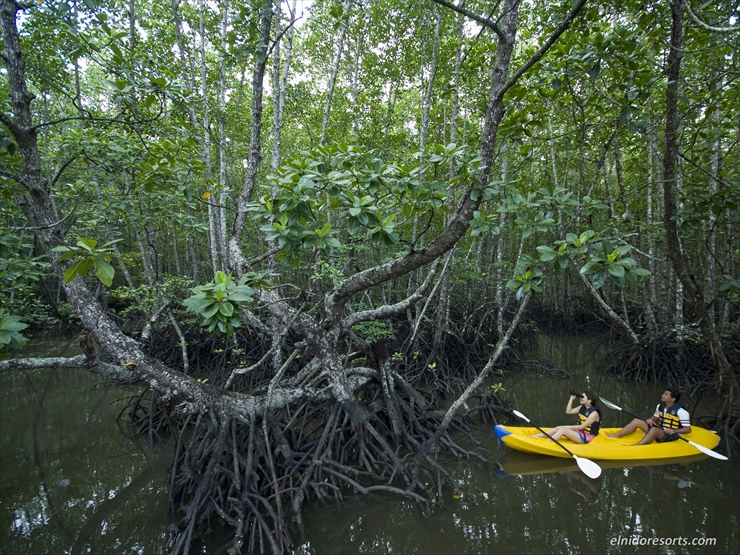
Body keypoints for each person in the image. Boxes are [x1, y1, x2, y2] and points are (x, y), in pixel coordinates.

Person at [606, 388, 691, 445]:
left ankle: (637, 445)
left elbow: (688, 429)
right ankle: (617, 435)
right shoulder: (660, 406)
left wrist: (674, 431)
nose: (663, 395)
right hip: (661, 429)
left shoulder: (681, 412)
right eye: (663, 393)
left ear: (673, 399)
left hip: (672, 435)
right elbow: (656, 418)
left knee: (654, 430)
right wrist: (651, 419)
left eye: (666, 394)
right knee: (636, 421)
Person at [532, 391, 602, 443]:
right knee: (558, 428)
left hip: (587, 437)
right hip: (579, 432)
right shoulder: (582, 407)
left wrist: (566, 427)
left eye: (583, 397)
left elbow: (582, 427)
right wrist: (571, 399)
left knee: (563, 429)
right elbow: (568, 411)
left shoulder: (594, 413)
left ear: (589, 400)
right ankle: (535, 437)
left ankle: (547, 444)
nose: (580, 398)